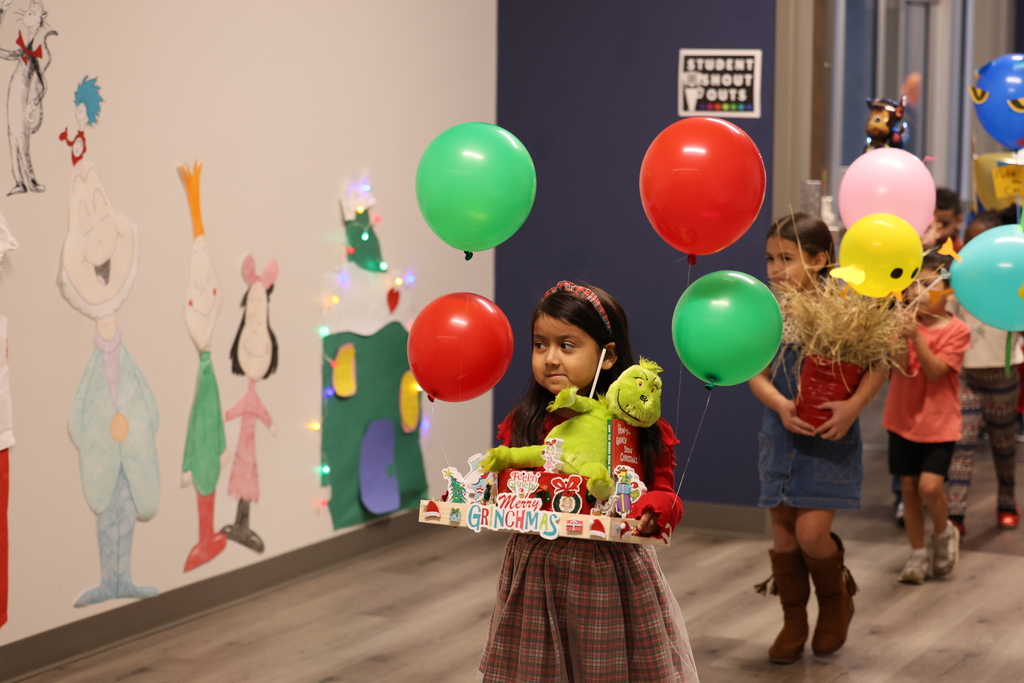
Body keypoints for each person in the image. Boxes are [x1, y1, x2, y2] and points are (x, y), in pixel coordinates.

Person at [477, 281, 698, 683]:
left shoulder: (638, 428)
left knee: (607, 668)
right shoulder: (527, 421)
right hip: (533, 572)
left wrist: (652, 511)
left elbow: (666, 495)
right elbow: (509, 488)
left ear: (608, 355)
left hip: (609, 573)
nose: (550, 359)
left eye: (567, 345)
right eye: (540, 344)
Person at [749, 213, 885, 664]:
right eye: (769, 258)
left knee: (811, 535)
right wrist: (780, 405)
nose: (774, 268)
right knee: (785, 537)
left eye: (786, 258)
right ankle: (794, 621)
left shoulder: (845, 308)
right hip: (781, 433)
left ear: (820, 259)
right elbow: (756, 373)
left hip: (829, 435)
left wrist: (852, 407)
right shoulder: (767, 311)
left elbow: (880, 362)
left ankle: (835, 600)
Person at [883, 252, 970, 584]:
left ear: (946, 290)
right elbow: (901, 368)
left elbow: (935, 373)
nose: (917, 291)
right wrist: (903, 335)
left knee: (930, 487)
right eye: (912, 284)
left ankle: (943, 531)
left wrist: (916, 337)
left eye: (927, 283)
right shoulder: (900, 324)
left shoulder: (957, 330)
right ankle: (917, 553)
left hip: (940, 423)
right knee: (907, 488)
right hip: (901, 418)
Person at [948, 210, 1021, 534]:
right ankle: (956, 514)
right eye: (970, 239)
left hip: (1003, 373)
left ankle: (1007, 498)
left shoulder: (1014, 275)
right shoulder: (958, 275)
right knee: (961, 444)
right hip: (964, 373)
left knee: (1003, 444)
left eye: (981, 240)